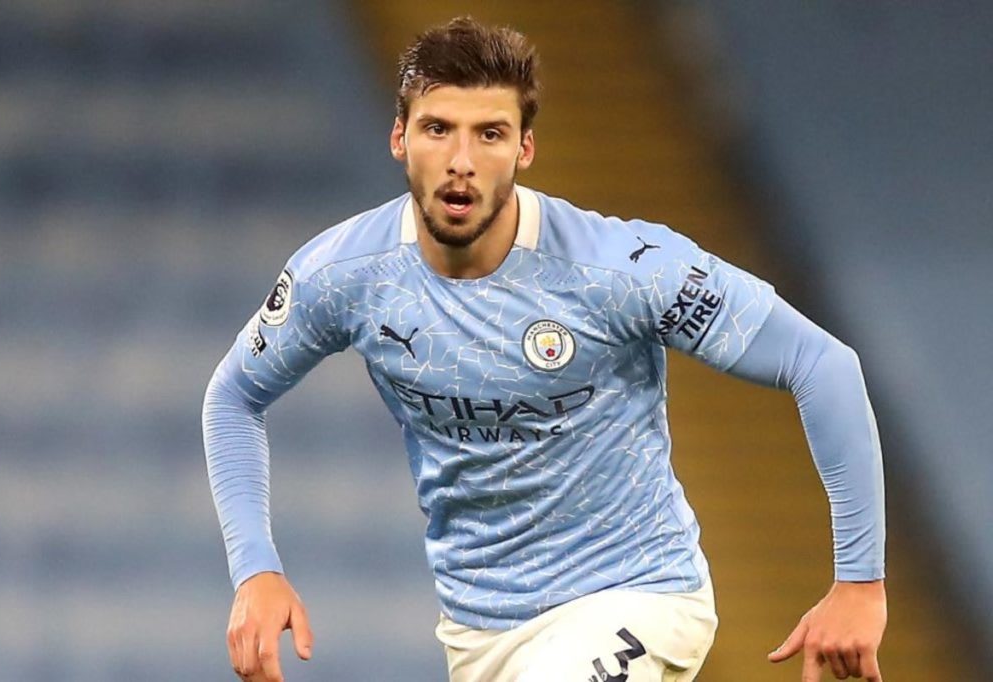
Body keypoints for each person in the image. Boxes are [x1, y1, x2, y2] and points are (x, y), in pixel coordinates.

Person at [202, 16, 887, 682]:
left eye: (490, 133)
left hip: (634, 594)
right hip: (477, 631)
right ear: (399, 138)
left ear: (524, 149)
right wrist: (255, 569)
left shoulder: (621, 268)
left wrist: (860, 582)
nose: (461, 162)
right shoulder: (344, 276)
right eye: (438, 129)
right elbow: (233, 397)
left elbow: (820, 363)